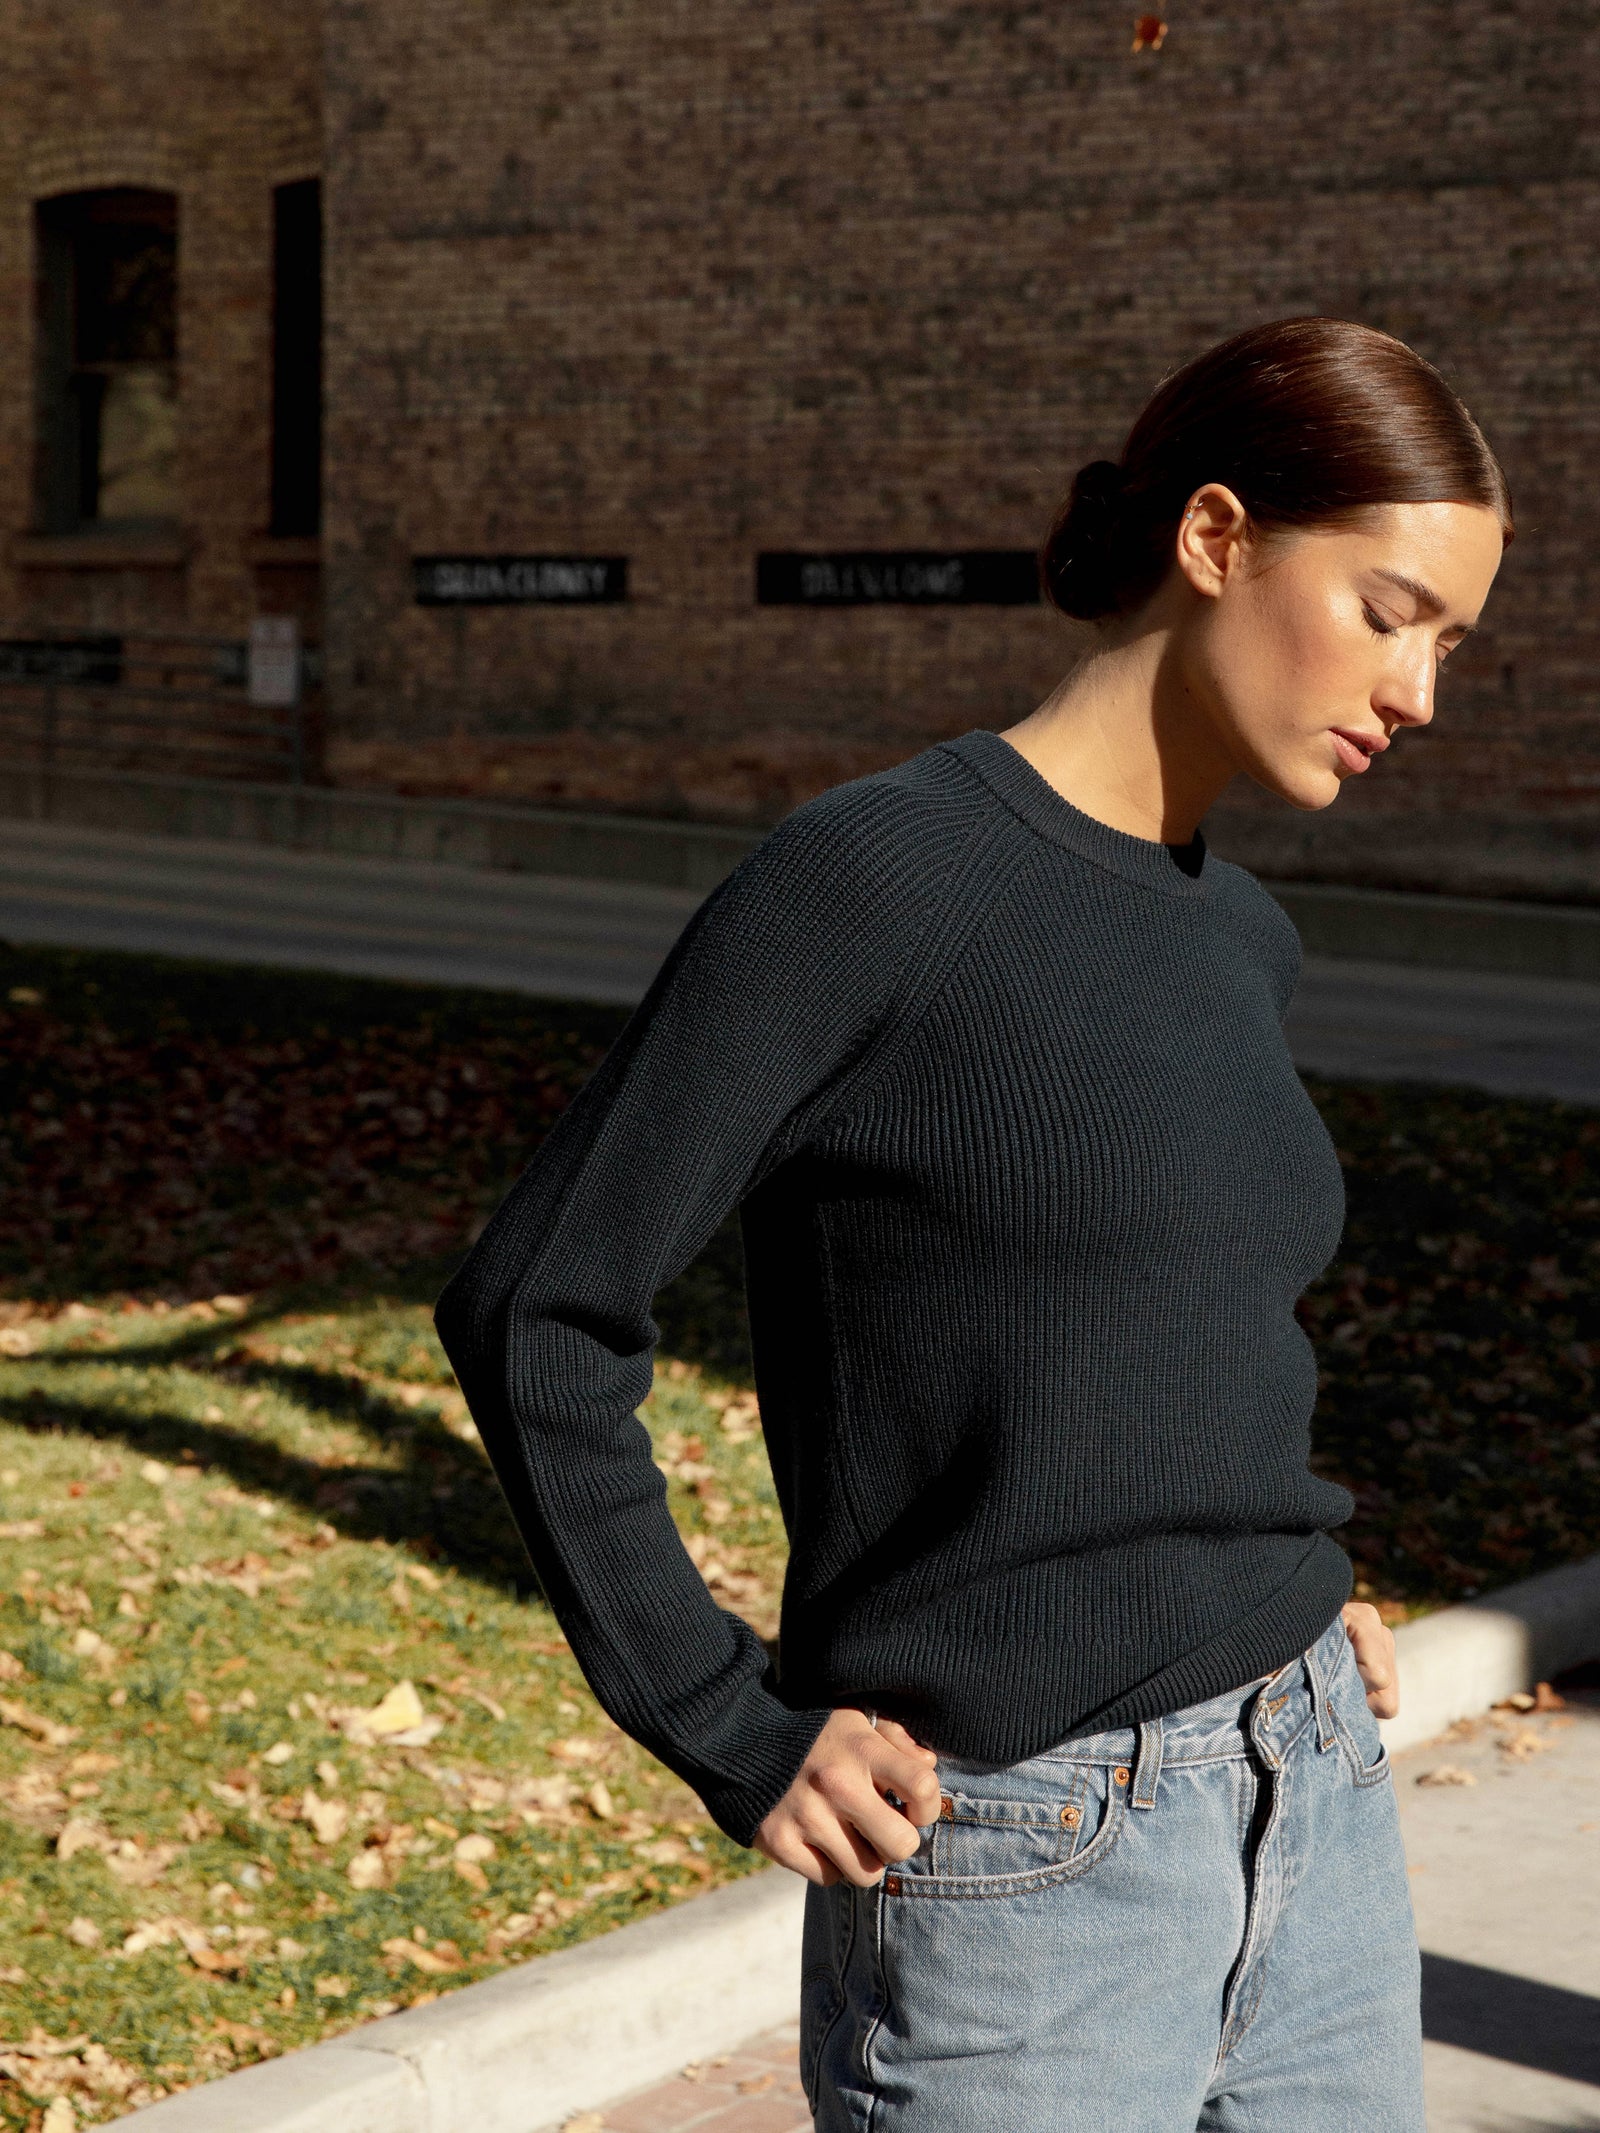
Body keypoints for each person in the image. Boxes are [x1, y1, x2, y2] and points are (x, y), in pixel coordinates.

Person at [433, 315, 1510, 2130]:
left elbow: (1175, 1331)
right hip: (1026, 1874)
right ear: (1219, 538)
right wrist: (725, 1715)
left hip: (1315, 1807)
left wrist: (1281, 1592)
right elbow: (539, 1307)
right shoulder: (869, 882)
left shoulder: (1243, 937)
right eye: (1393, 610)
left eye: (1454, 642)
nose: (1421, 691)